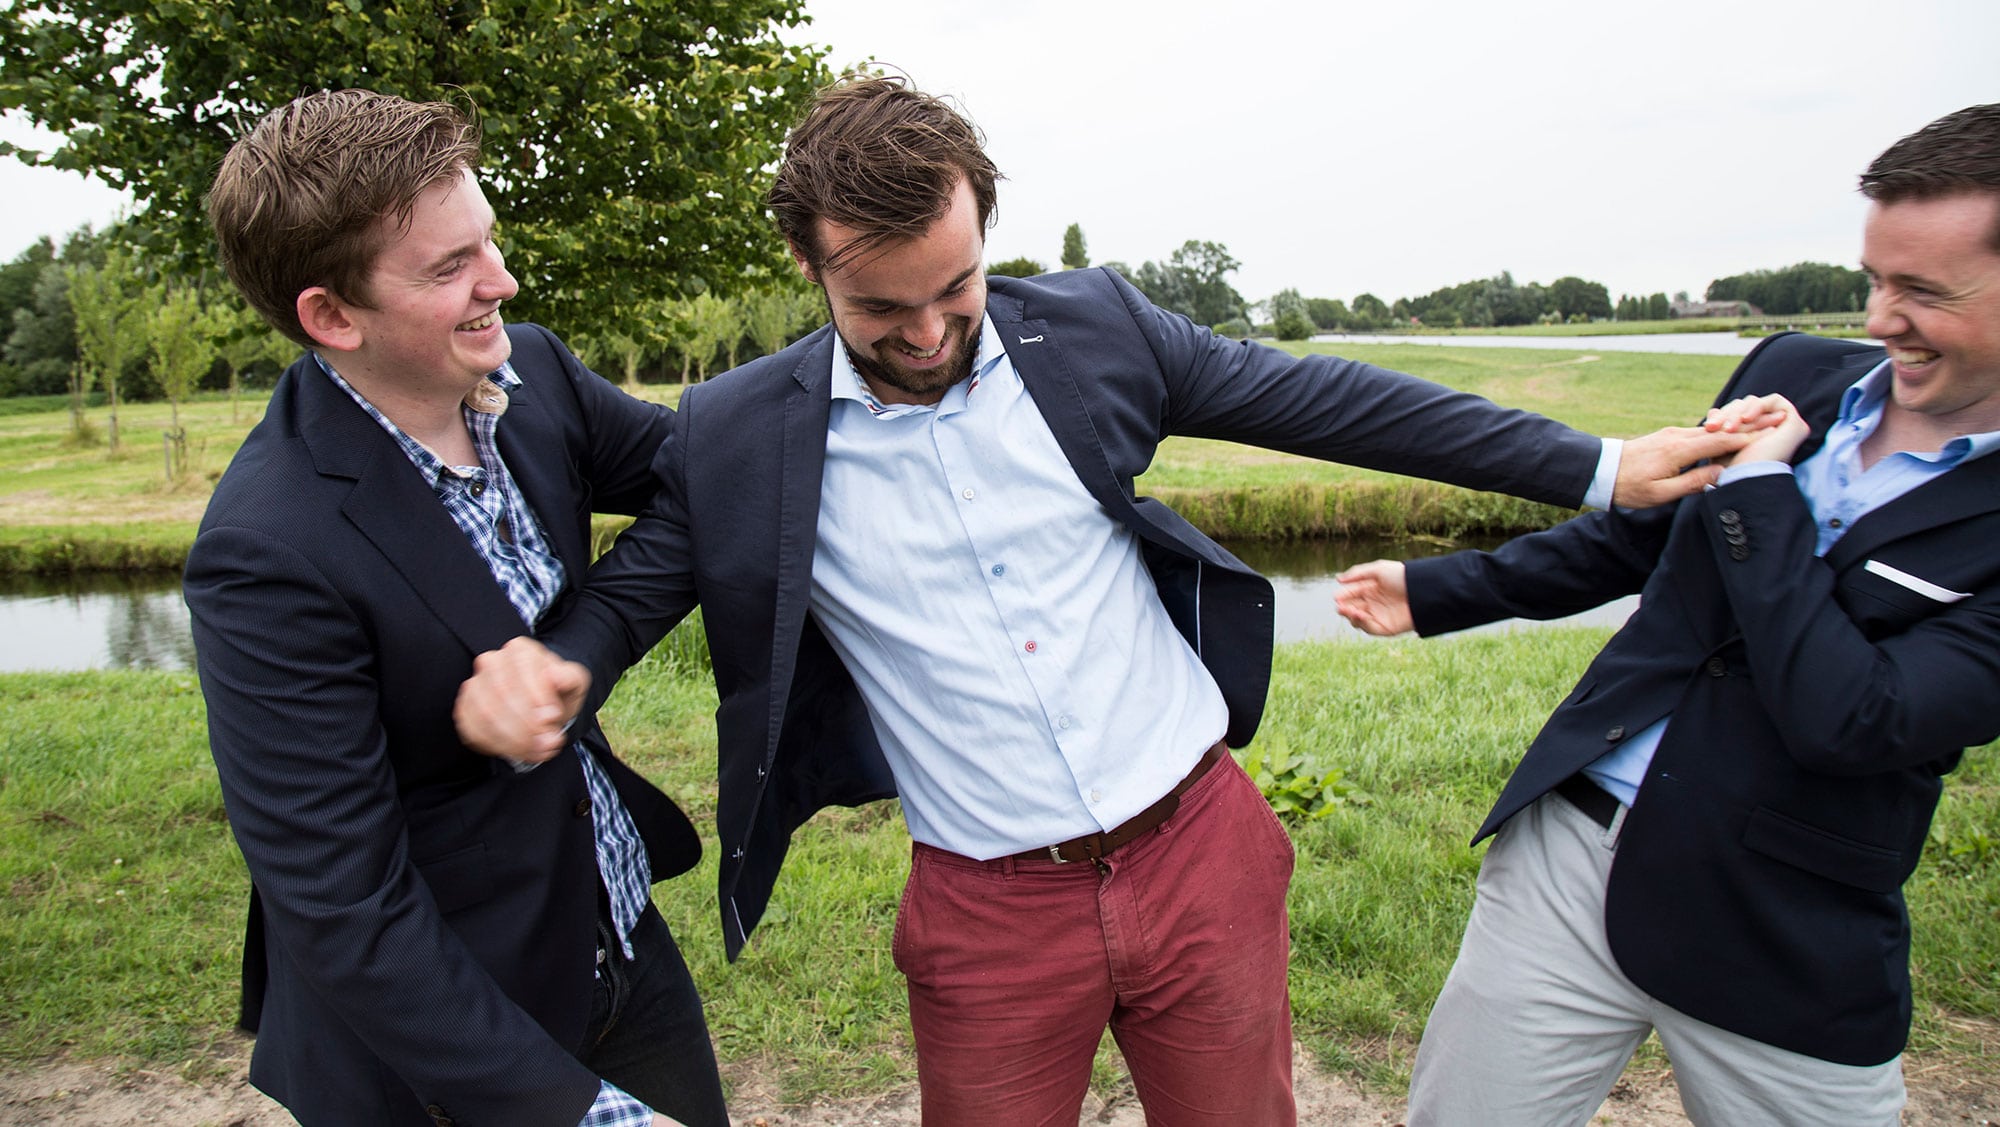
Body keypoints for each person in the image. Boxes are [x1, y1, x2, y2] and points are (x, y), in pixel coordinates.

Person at [455, 74, 1757, 1126]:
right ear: (808, 262)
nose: (926, 335)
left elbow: (1332, 401)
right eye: (880, 308)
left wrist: (1597, 467)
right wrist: (561, 660)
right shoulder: (742, 431)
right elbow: (642, 579)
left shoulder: (1095, 331)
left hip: (1200, 847)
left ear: (986, 229)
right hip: (983, 906)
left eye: (955, 290)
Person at [1335, 102, 2000, 1126]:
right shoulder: (1789, 371)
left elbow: (1859, 717)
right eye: (1872, 276)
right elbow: (1635, 540)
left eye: (1920, 290)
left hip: (1784, 918)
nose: (1875, 318)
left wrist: (1759, 490)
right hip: (1568, 855)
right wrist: (1434, 591)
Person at [186, 89, 727, 1127]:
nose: (502, 281)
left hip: (614, 940)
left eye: (486, 240)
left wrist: (580, 647)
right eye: (449, 268)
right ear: (330, 316)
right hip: (439, 1054)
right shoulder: (264, 551)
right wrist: (581, 1114)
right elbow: (345, 912)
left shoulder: (533, 376)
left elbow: (711, 482)